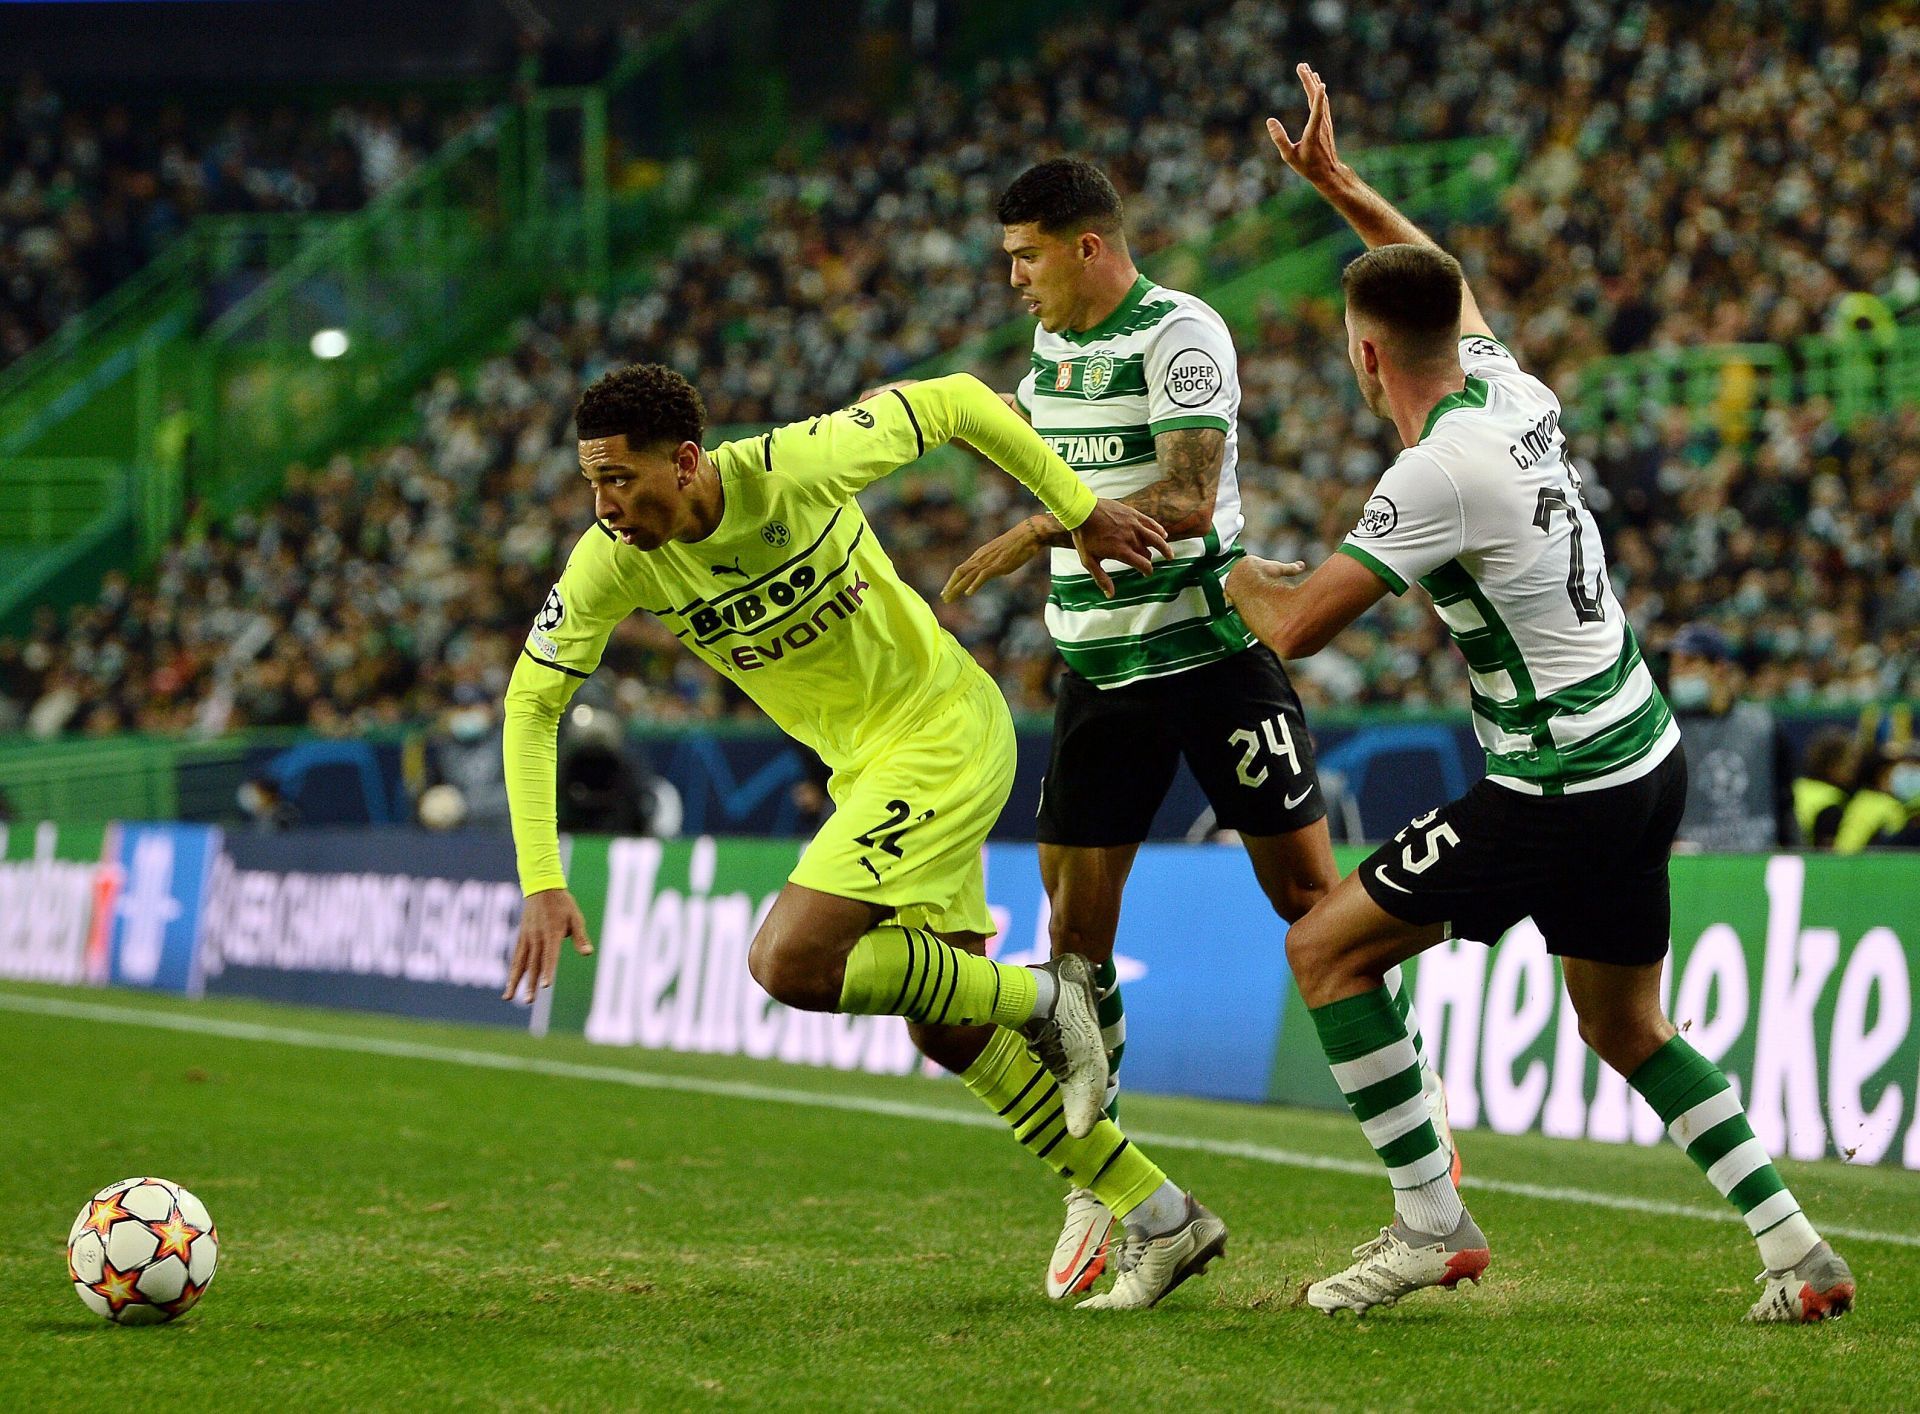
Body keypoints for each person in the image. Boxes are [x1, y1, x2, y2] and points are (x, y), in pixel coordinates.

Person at [1222, 65, 1852, 1324]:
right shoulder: (1512, 390)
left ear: (1362, 358)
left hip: (1556, 784)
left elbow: (1291, 625)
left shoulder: (1436, 473)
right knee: (1624, 1025)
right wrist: (1344, 189)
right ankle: (1798, 1249)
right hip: (1641, 752)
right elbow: (1434, 278)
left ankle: (1428, 1222)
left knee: (1325, 947)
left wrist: (1206, 541)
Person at [501, 363, 1227, 1309]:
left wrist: (1081, 510)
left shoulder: (798, 465)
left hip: (944, 735)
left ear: (685, 461)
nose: (604, 505)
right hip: (871, 780)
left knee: (789, 962)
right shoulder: (615, 560)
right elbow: (531, 702)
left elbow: (965, 399)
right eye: (591, 483)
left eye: (620, 480)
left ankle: (1050, 997)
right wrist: (540, 877)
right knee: (951, 1025)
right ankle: (1161, 1213)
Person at [932, 156, 1456, 1300]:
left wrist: (1037, 533)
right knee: (1075, 941)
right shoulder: (1051, 349)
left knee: (1316, 906)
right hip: (1098, 670)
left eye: (1026, 255)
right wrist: (1059, 532)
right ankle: (1116, 1196)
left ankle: (1422, 1142)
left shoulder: (1182, 333)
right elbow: (1090, 491)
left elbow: (1180, 502)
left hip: (1215, 658)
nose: (1013, 277)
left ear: (1088, 246)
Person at [1665, 622, 1788, 850]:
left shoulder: (1764, 726)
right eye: (1673, 664)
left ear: (1719, 667)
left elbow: (1786, 803)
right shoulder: (1666, 734)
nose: (1676, 672)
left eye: (1689, 662)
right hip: (1695, 873)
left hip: (1757, 865)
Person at [1790, 728, 1855, 849]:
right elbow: (1826, 859)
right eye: (1849, 761)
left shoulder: (1796, 785)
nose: (1854, 767)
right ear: (1832, 766)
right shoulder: (1832, 803)